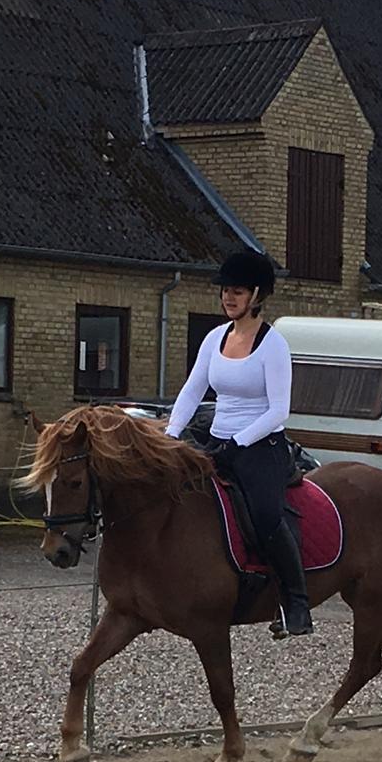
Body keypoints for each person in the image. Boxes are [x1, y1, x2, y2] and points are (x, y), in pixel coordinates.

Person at [165, 250, 313, 638]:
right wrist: (168, 437)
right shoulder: (215, 338)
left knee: (265, 516)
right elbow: (192, 390)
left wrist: (239, 443)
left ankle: (296, 603)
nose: (228, 298)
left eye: (237, 291)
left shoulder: (273, 345)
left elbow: (280, 410)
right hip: (217, 439)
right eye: (225, 291)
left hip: (261, 446)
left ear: (257, 295)